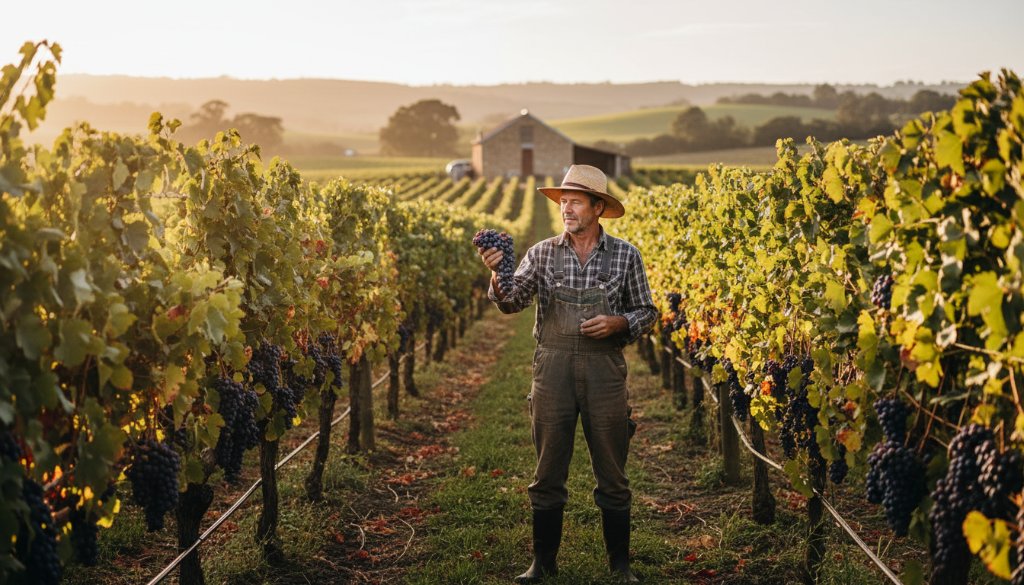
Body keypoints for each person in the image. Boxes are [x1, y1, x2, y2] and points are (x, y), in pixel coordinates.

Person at [477, 164, 657, 583]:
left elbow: (646, 310)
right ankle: (543, 562)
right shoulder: (541, 253)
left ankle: (621, 566)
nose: (567, 209)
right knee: (548, 469)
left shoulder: (626, 255)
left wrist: (619, 324)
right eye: (564, 202)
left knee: (613, 471)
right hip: (552, 367)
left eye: (576, 201)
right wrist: (496, 274)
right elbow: (512, 301)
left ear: (598, 208)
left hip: (604, 369)